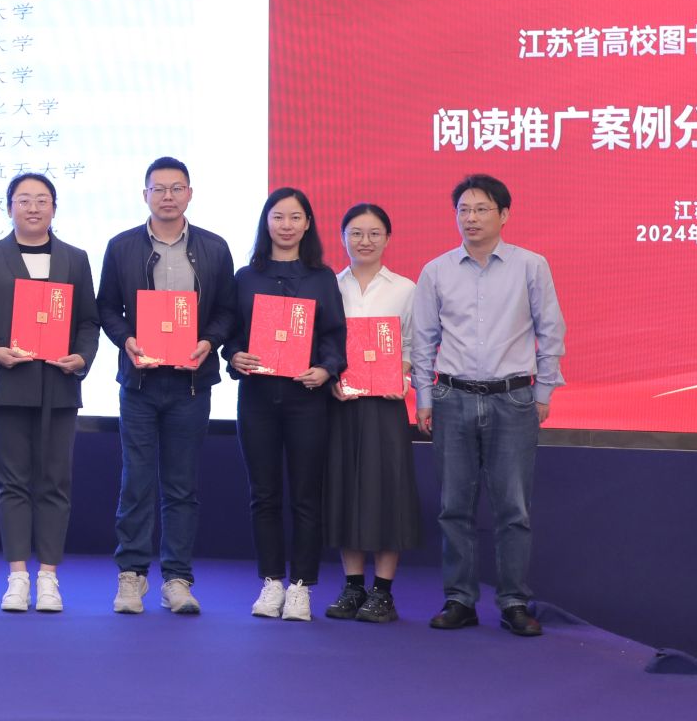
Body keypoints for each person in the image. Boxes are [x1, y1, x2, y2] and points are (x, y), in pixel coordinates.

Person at [413, 174, 566, 638]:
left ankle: (514, 601)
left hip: (512, 397)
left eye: (481, 209)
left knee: (513, 509)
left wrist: (543, 392)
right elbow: (423, 340)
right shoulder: (436, 270)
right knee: (453, 507)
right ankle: (459, 599)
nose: (471, 218)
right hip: (452, 396)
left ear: (504, 214)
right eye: (463, 209)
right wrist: (424, 397)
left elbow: (551, 330)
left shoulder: (531, 266)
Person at [94, 157, 236, 616]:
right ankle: (132, 574)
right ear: (145, 195)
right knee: (135, 482)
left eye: (177, 188)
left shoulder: (214, 248)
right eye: (159, 189)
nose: (168, 196)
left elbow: (227, 310)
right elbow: (106, 307)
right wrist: (126, 339)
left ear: (190, 194)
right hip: (140, 382)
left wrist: (209, 341)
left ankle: (177, 578)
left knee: (181, 485)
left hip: (190, 384)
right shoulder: (121, 247)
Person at [0, 172, 100, 614]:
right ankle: (18, 576)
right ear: (9, 208)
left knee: (55, 483)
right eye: (23, 200)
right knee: (12, 483)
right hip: (9, 386)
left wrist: (82, 357)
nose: (33, 208)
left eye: (42, 200)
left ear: (54, 208)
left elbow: (88, 321)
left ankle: (49, 578)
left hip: (59, 387)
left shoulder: (75, 259)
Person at [223, 187, 346, 621]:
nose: (286, 225)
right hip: (257, 398)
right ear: (266, 222)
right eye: (278, 217)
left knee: (306, 495)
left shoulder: (321, 277)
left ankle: (301, 586)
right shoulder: (246, 276)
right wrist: (233, 355)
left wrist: (326, 369)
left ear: (308, 224)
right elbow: (231, 333)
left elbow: (335, 335)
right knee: (264, 494)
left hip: (305, 399)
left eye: (295, 217)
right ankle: (272, 581)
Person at [323, 202, 423, 624]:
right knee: (344, 488)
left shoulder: (406, 289)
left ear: (387, 238)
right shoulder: (330, 286)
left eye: (374, 233)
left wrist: (398, 374)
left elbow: (414, 345)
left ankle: (383, 591)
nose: (365, 241)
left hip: (385, 404)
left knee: (388, 491)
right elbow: (322, 343)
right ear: (342, 237)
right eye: (356, 233)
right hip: (340, 403)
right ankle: (352, 586)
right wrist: (330, 378)